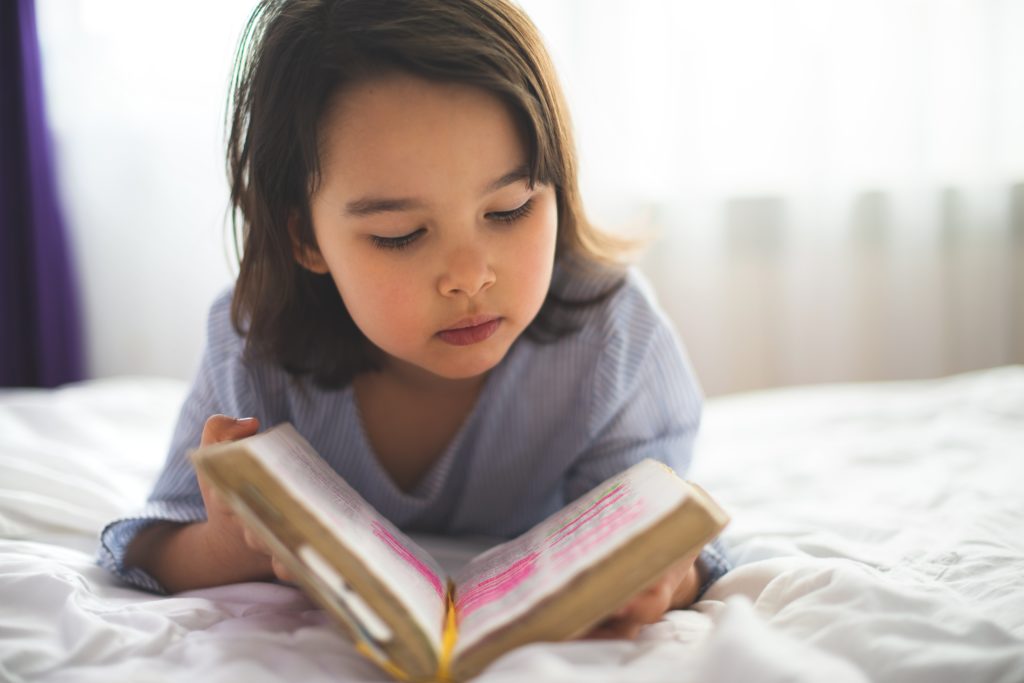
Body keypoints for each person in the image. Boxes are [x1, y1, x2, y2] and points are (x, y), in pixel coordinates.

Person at [97, 0, 730, 640]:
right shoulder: (255, 347)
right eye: (401, 235)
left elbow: (674, 543)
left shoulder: (613, 336)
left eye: (510, 209)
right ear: (306, 238)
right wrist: (228, 546)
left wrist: (666, 579)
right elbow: (152, 541)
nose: (469, 275)